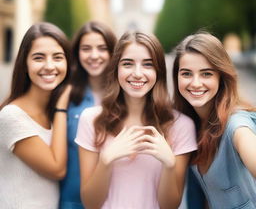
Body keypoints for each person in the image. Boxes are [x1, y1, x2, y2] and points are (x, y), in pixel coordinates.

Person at [75, 31, 197, 209]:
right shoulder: (92, 120)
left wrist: (169, 164)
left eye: (148, 64)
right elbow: (90, 203)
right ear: (116, 69)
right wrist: (106, 160)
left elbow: (169, 206)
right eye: (128, 64)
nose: (137, 73)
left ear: (158, 71)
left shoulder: (181, 125)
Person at [172, 32, 256, 209]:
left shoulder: (237, 126)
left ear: (221, 76)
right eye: (186, 73)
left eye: (206, 74)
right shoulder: (190, 125)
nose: (195, 83)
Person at [0, 22, 71, 208]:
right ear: (24, 63)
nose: (49, 66)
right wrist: (61, 109)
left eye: (58, 57)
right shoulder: (11, 116)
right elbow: (56, 169)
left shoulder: (54, 113)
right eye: (39, 58)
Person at [59, 21, 117, 208]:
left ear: (112, 52)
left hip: (118, 199)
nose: (94, 55)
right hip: (73, 201)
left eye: (102, 48)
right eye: (86, 48)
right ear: (76, 53)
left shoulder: (127, 96)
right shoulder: (65, 96)